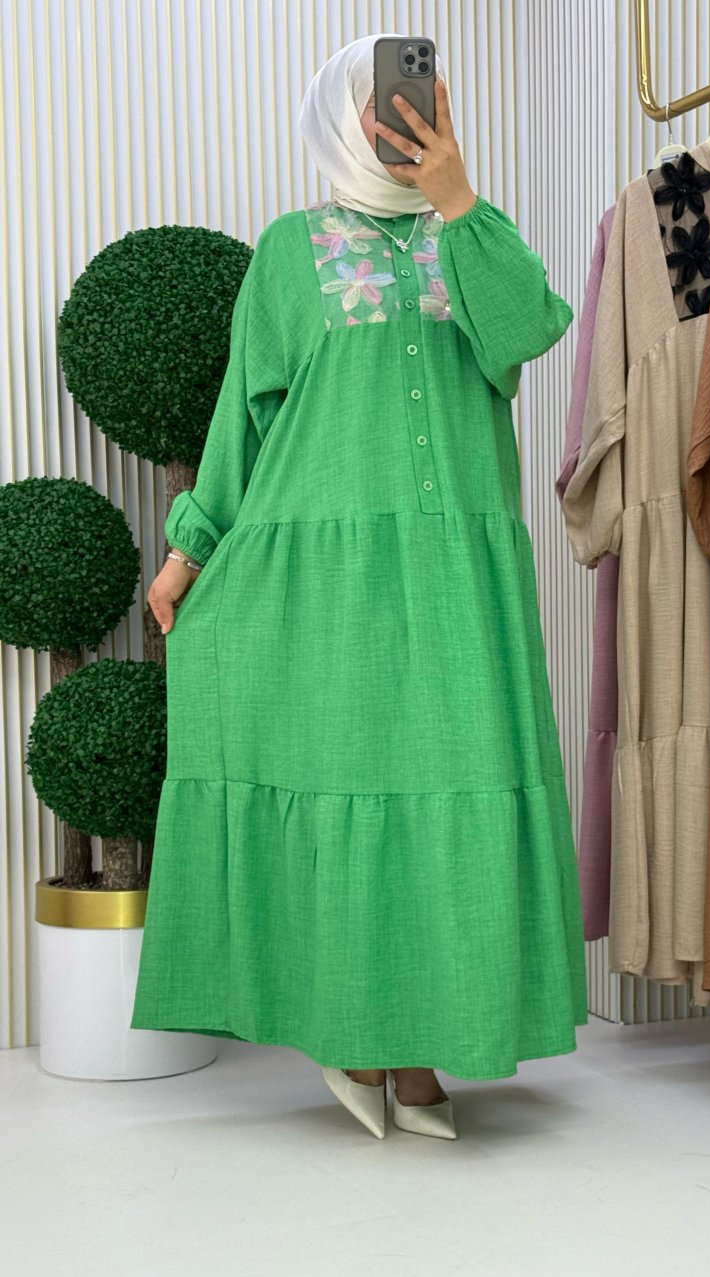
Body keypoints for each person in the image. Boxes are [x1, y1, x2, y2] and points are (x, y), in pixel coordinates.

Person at [134, 33, 588, 1141]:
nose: (409, 116)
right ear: (349, 117)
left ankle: (422, 1046)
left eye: (426, 100)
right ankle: (356, 1036)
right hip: (323, 587)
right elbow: (246, 415)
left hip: (456, 577)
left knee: (448, 788)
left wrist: (458, 195)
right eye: (390, 103)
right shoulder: (290, 252)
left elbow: (529, 331)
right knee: (345, 784)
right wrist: (192, 547)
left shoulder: (473, 237)